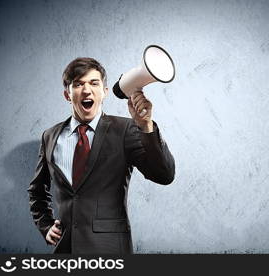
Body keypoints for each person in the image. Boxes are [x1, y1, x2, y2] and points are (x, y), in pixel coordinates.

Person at [28, 57, 175, 254]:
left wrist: (146, 126)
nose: (86, 90)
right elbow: (37, 190)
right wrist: (45, 226)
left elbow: (164, 175)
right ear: (67, 95)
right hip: (65, 250)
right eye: (78, 84)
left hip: (110, 251)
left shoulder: (127, 129)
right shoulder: (50, 136)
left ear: (104, 92)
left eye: (94, 83)